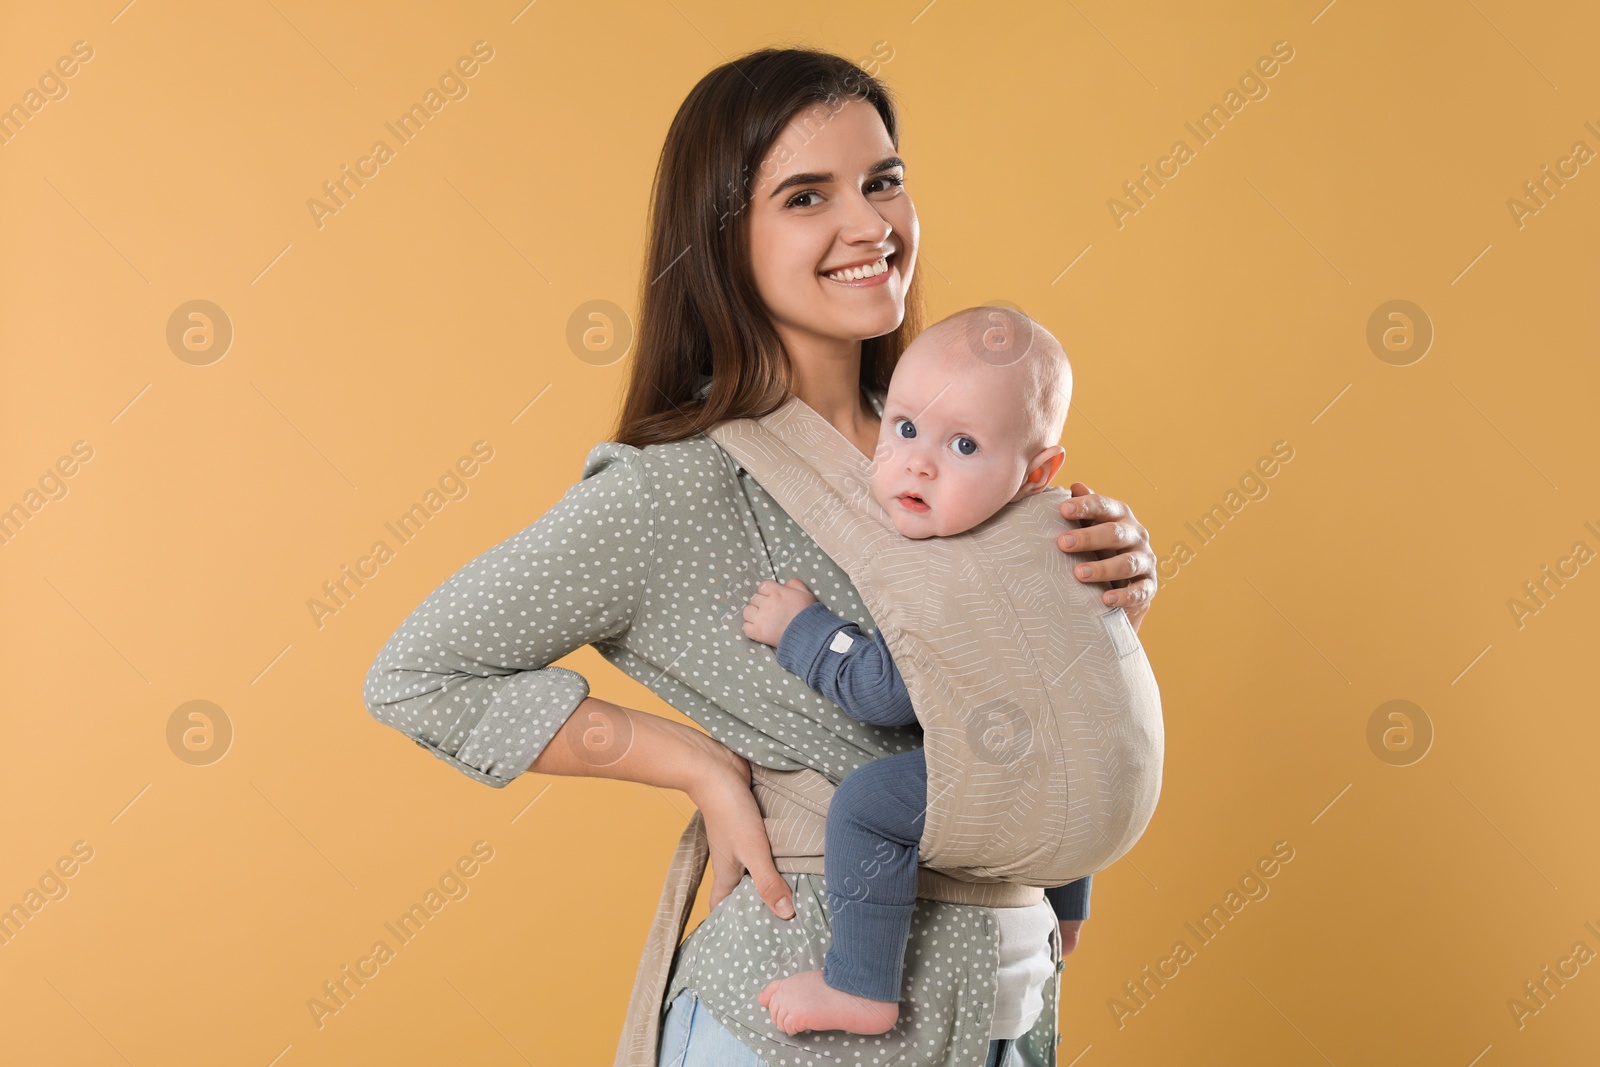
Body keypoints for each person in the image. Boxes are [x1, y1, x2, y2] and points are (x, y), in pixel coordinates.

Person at [362, 47, 1159, 1067]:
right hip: (789, 1025)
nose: (869, 225)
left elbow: (1020, 688)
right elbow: (419, 674)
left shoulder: (969, 452)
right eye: (805, 196)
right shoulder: (675, 489)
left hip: (1000, 1010)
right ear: (722, 241)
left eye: (883, 181)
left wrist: (1107, 579)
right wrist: (698, 765)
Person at [743, 305, 1118, 1037]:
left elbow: (889, 689)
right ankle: (1066, 917)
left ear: (1036, 472)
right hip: (1089, 784)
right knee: (1073, 757)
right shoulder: (1056, 530)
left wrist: (805, 631)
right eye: (906, 428)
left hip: (1015, 772)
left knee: (868, 803)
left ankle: (859, 985)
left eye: (965, 444)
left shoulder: (956, 566)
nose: (918, 462)